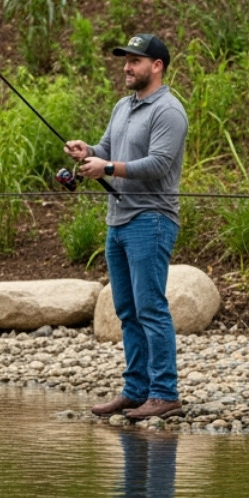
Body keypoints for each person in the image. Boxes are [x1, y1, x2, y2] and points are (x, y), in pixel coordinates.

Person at [66, 34, 189, 422]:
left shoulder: (168, 111)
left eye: (135, 60)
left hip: (150, 219)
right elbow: (107, 149)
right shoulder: (123, 106)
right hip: (117, 220)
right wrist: (89, 153)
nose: (126, 66)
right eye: (125, 59)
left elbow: (158, 164)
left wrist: (108, 168)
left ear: (157, 66)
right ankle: (135, 391)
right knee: (127, 310)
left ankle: (165, 393)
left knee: (151, 308)